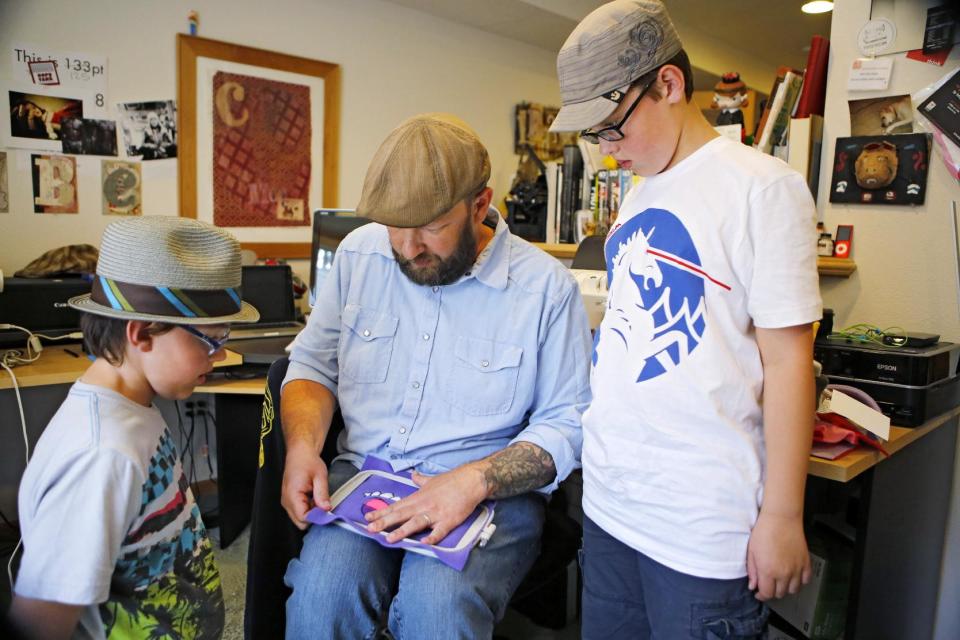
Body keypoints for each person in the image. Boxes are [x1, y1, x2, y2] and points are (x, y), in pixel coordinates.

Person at [549, 2, 822, 638]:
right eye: (594, 138)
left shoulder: (762, 189)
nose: (605, 151)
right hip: (613, 504)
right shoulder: (642, 189)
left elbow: (787, 363)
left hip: (699, 526)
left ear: (668, 85)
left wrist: (783, 515)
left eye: (611, 130)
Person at [281, 113, 592, 639]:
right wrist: (303, 448)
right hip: (365, 476)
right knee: (321, 599)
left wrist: (474, 481)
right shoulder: (360, 254)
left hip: (486, 493)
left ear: (479, 203)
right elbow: (313, 364)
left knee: (437, 610)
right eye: (395, 226)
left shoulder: (545, 289)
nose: (407, 247)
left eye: (430, 226)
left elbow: (568, 424)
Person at [7, 216, 260, 639]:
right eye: (211, 339)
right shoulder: (101, 457)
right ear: (142, 334)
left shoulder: (134, 407)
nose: (219, 356)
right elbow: (39, 623)